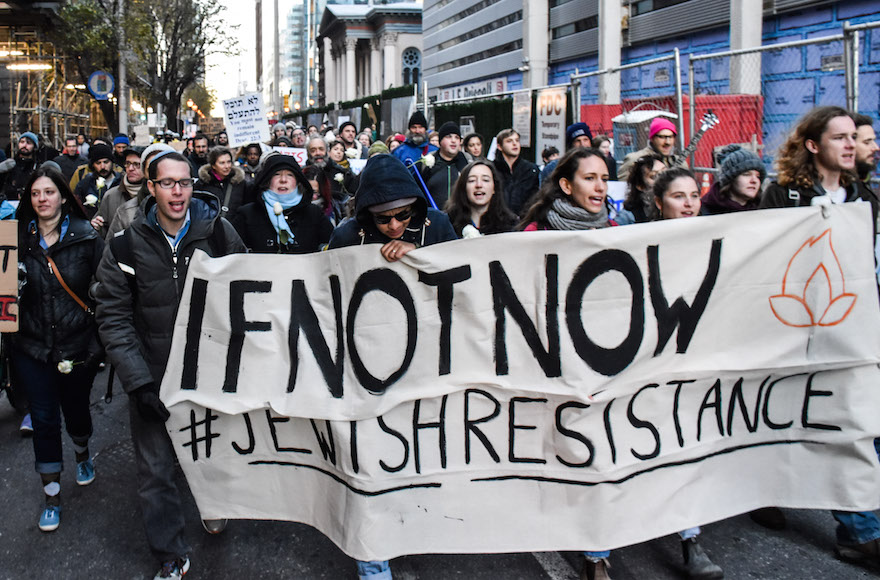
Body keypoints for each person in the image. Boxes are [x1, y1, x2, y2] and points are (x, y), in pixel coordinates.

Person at [96, 150, 246, 580]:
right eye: (167, 183)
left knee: (214, 450)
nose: (177, 192)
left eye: (184, 182)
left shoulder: (219, 233)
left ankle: (214, 504)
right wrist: (138, 382)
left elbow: (248, 291)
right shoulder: (125, 243)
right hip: (154, 374)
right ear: (151, 186)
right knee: (156, 471)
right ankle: (170, 555)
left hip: (211, 375)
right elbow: (113, 313)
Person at [758, 106, 880, 564]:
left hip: (853, 333)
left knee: (852, 425)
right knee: (783, 418)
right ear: (814, 145)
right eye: (840, 138)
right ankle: (761, 485)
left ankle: (859, 530)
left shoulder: (866, 198)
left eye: (855, 137)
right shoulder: (783, 196)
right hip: (793, 334)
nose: (851, 145)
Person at [328, 155, 456, 580]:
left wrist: (419, 256)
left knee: (417, 454)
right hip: (369, 364)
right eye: (384, 219)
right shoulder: (347, 234)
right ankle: (373, 562)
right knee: (370, 461)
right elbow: (329, 295)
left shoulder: (436, 225)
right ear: (367, 213)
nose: (396, 226)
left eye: (404, 215)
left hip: (427, 362)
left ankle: (411, 526)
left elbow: (465, 278)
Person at [12, 167, 104, 532]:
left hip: (77, 345)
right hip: (31, 347)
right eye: (35, 194)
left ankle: (82, 450)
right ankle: (51, 494)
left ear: (63, 197)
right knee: (44, 418)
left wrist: (98, 340)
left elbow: (107, 290)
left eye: (49, 192)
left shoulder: (86, 237)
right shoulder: (15, 239)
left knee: (76, 411)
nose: (42, 200)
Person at [232, 153, 333, 253]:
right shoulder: (247, 214)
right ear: (267, 180)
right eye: (277, 174)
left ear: (298, 181)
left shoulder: (314, 213)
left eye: (290, 175)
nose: (283, 180)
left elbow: (332, 247)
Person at [519, 147, 615, 233]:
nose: (600, 188)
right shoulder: (536, 232)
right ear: (566, 186)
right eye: (589, 178)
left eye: (604, 179)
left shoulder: (614, 229)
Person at [444, 159, 517, 237]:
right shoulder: (448, 223)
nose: (479, 185)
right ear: (463, 188)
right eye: (472, 180)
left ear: (494, 188)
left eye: (485, 180)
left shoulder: (510, 225)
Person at [91, 147, 144, 238]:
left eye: (136, 164)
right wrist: (96, 226)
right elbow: (103, 232)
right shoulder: (111, 195)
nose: (131, 168)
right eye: (128, 163)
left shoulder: (154, 195)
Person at [700, 145, 765, 214]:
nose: (754, 180)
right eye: (746, 174)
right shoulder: (705, 209)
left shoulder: (763, 209)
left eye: (758, 176)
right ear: (730, 178)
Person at [618, 116, 688, 181]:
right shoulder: (635, 160)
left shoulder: (680, 163)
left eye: (671, 137)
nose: (668, 142)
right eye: (662, 137)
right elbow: (623, 188)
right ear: (652, 138)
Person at [493, 128, 539, 217]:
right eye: (509, 141)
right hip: (498, 221)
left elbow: (535, 197)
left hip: (523, 221)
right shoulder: (492, 169)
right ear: (499, 146)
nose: (515, 144)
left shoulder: (531, 169)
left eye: (517, 140)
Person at [422, 121, 469, 208]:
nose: (453, 140)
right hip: (434, 217)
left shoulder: (468, 163)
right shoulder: (426, 163)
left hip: (460, 217)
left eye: (457, 137)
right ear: (440, 141)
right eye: (449, 137)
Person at [197, 146, 249, 221]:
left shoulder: (240, 183)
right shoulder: (202, 184)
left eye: (229, 162)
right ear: (213, 165)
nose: (227, 166)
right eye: (222, 163)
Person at [73, 143, 120, 220]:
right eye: (98, 163)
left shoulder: (121, 182)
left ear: (112, 162)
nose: (103, 167)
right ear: (93, 165)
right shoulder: (85, 184)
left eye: (106, 162)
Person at [618, 154, 665, 224]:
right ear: (640, 186)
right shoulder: (627, 217)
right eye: (654, 176)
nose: (663, 179)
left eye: (665, 173)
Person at [1, 131, 40, 201]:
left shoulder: (37, 167)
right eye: (22, 142)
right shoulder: (10, 165)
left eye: (28, 143)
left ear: (34, 147)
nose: (24, 145)